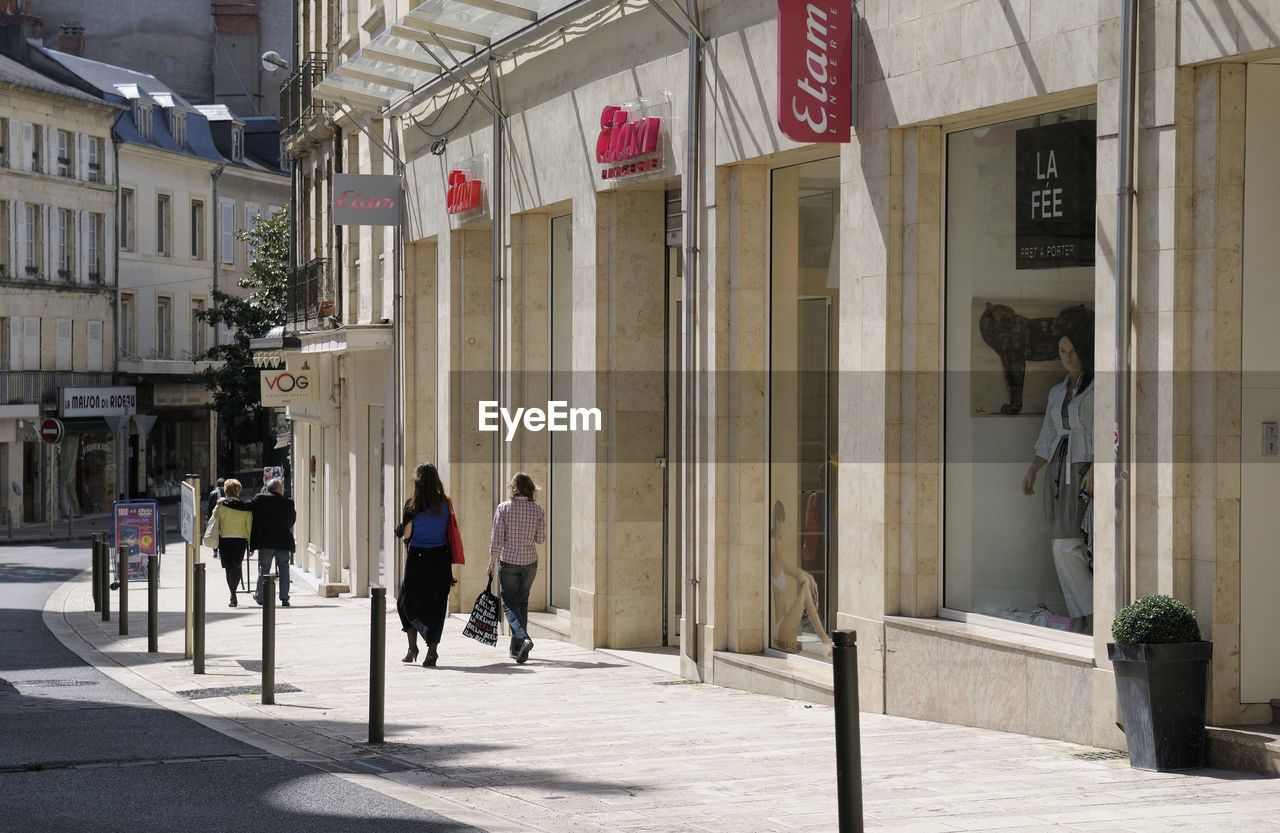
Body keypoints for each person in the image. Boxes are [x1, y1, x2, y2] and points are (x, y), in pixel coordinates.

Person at [1022, 307, 1094, 634]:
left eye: (1072, 350)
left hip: (1082, 470)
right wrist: (1034, 469)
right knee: (1059, 546)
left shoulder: (1098, 390)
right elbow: (1047, 435)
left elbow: (1111, 433)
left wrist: (1098, 468)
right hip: (1057, 471)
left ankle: (1092, 613)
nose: (1066, 357)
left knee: (1072, 544)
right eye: (1062, 351)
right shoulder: (1056, 391)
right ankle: (1081, 613)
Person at [397, 463, 456, 667]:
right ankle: (432, 651)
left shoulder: (412, 504)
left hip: (418, 560)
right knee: (437, 605)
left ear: (417, 482)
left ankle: (413, 648)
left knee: (406, 601)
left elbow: (406, 534)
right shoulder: (445, 503)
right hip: (441, 560)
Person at [486, 472, 545, 664]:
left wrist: (491, 563)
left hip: (508, 561)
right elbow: (541, 539)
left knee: (509, 603)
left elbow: (497, 540)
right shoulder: (538, 510)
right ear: (531, 490)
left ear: (513, 488)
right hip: (529, 562)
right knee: (522, 603)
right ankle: (518, 650)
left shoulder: (503, 508)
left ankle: (524, 638)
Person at [770, 500, 832, 655]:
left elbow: (801, 574)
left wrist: (810, 579)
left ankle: (823, 639)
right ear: (778, 523)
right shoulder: (777, 552)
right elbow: (800, 576)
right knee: (805, 588)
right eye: (783, 521)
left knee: (806, 586)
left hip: (782, 623)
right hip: (782, 626)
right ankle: (825, 640)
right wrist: (811, 583)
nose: (784, 526)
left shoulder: (776, 549)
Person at [223, 477, 296, 607]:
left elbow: (243, 506)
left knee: (264, 569)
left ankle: (260, 596)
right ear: (279, 488)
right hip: (283, 542)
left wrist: (226, 502)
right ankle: (284, 598)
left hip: (266, 542)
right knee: (284, 569)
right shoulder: (289, 503)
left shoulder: (261, 499)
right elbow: (292, 521)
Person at [212, 478, 253, 607]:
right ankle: (234, 593)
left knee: (229, 569)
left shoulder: (220, 505)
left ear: (226, 491)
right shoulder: (244, 507)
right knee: (237, 566)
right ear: (238, 491)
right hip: (240, 540)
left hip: (225, 540)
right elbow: (249, 527)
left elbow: (214, 518)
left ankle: (233, 595)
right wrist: (251, 546)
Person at [207, 477, 225, 559]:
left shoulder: (212, 493)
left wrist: (208, 518)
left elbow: (209, 507)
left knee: (214, 533)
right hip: (224, 516)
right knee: (222, 533)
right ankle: (221, 551)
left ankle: (215, 551)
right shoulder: (226, 492)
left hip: (214, 516)